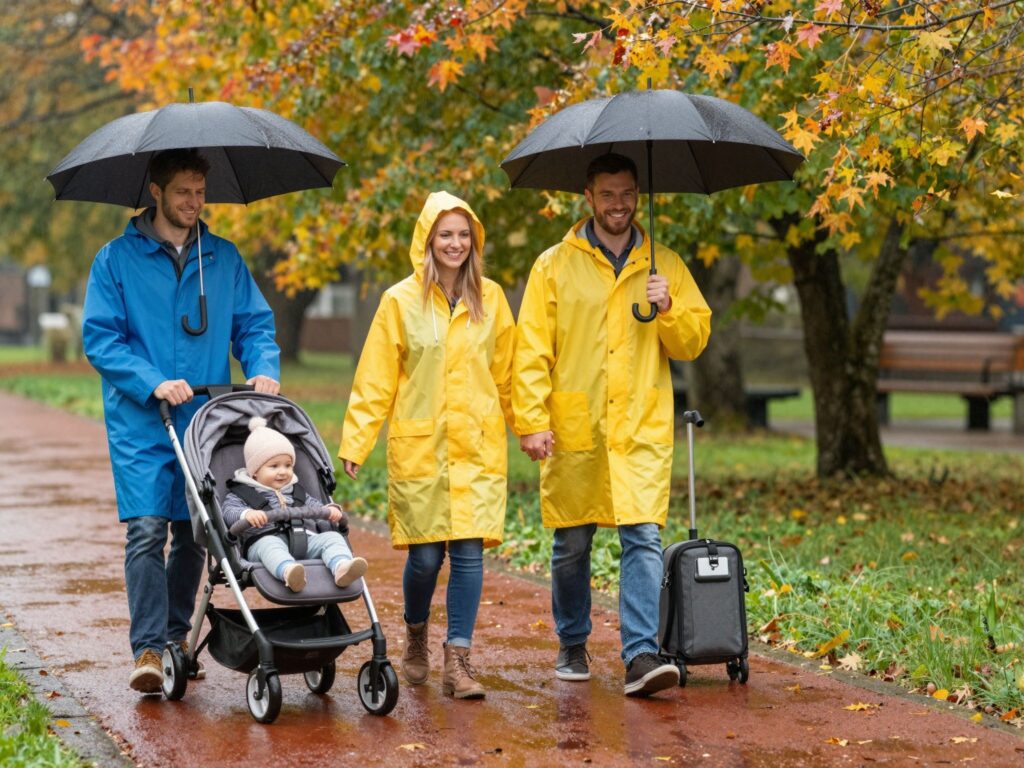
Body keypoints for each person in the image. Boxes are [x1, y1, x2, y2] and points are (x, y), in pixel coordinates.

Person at [82, 148, 280, 694]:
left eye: (200, 191)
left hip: (203, 418)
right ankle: (147, 647)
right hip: (141, 418)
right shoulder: (115, 260)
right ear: (157, 191)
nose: (195, 202)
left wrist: (263, 369)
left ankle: (174, 638)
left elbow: (255, 325)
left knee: (194, 535)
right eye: (184, 192)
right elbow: (101, 338)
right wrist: (150, 379)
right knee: (147, 529)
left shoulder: (222, 257)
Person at [513, 153, 712, 698]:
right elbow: (531, 351)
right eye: (608, 194)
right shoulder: (553, 265)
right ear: (589, 197)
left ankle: (640, 655)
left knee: (643, 536)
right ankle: (573, 640)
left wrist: (669, 306)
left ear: (637, 194)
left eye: (627, 194)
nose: (618, 205)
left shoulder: (663, 263)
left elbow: (693, 342)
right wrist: (530, 420)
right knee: (572, 543)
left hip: (640, 425)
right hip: (576, 424)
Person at [339, 191, 515, 699]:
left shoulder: (494, 299)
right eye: (446, 234)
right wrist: (357, 439)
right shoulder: (400, 301)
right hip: (421, 449)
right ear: (428, 240)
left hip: (477, 449)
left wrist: (528, 426)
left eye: (463, 234)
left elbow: (508, 375)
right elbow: (376, 376)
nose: (455, 243)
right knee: (423, 560)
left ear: (474, 240)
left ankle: (458, 660)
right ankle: (416, 631)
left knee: (468, 554)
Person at [222, 417, 368, 591]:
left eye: (288, 465)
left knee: (333, 538)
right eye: (274, 466)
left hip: (304, 540)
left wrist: (328, 510)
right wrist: (246, 514)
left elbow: (315, 506)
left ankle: (342, 567)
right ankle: (289, 572)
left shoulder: (296, 491)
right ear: (254, 472)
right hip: (262, 543)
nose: (283, 472)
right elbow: (228, 511)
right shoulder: (242, 493)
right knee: (270, 545)